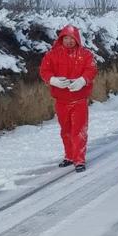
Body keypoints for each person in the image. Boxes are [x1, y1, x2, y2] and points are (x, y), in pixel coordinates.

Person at [40, 25, 97, 173]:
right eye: (66, 38)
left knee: (78, 130)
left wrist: (82, 81)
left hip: (79, 100)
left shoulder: (85, 54)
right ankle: (69, 156)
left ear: (76, 39)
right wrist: (53, 80)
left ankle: (79, 160)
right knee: (65, 130)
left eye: (72, 38)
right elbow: (44, 70)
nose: (69, 41)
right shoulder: (52, 55)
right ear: (61, 39)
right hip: (61, 100)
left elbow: (91, 70)